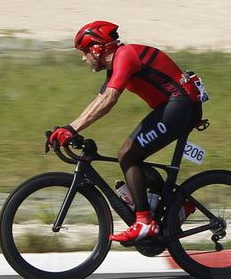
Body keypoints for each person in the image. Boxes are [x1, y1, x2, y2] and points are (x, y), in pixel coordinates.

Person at [47, 20, 206, 244]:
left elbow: (110, 99)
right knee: (133, 157)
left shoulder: (125, 56)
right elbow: (100, 99)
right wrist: (70, 127)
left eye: (84, 52)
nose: (83, 58)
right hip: (177, 106)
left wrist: (72, 128)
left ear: (97, 48)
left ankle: (144, 222)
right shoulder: (117, 63)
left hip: (179, 105)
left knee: (127, 155)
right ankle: (179, 204)